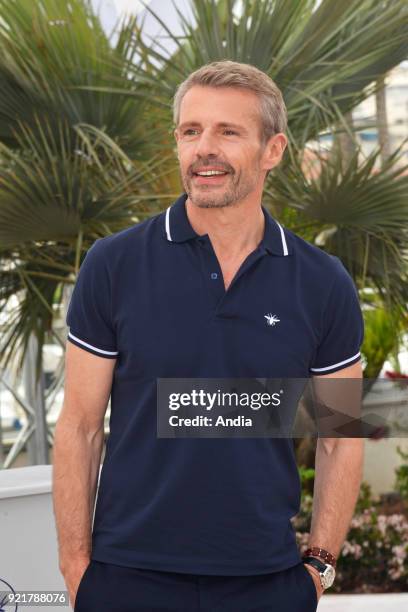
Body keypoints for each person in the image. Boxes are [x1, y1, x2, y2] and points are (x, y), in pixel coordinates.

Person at [52, 60, 365, 611]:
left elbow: (341, 435)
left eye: (228, 132)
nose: (205, 149)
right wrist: (77, 568)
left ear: (273, 150)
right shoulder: (114, 264)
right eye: (191, 131)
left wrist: (319, 566)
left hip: (266, 581)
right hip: (127, 578)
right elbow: (79, 427)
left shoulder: (322, 281)